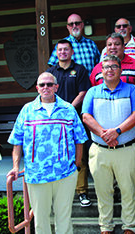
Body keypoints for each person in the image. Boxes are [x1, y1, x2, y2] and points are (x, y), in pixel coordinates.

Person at [7, 72, 88, 234]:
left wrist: (76, 164)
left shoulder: (68, 109)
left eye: (49, 84)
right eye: (42, 85)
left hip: (65, 174)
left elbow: (80, 139)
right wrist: (16, 167)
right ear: (37, 88)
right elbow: (17, 141)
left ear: (56, 87)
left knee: (64, 218)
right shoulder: (27, 110)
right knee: (40, 220)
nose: (46, 87)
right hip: (37, 175)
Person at [82, 55, 135, 234]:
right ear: (101, 71)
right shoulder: (92, 92)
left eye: (114, 66)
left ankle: (129, 227)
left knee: (128, 191)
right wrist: (104, 134)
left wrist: (116, 132)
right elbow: (86, 116)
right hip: (100, 150)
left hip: (126, 149)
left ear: (121, 70)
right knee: (103, 192)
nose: (110, 69)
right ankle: (106, 227)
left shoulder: (132, 89)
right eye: (106, 67)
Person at [46, 39, 92, 207]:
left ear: (72, 52)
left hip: (74, 119)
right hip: (54, 121)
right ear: (56, 53)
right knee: (56, 154)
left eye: (66, 49)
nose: (63, 52)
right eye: (60, 50)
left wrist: (67, 110)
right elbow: (47, 93)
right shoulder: (51, 72)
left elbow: (83, 92)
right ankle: (58, 192)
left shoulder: (79, 70)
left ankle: (82, 192)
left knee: (79, 156)